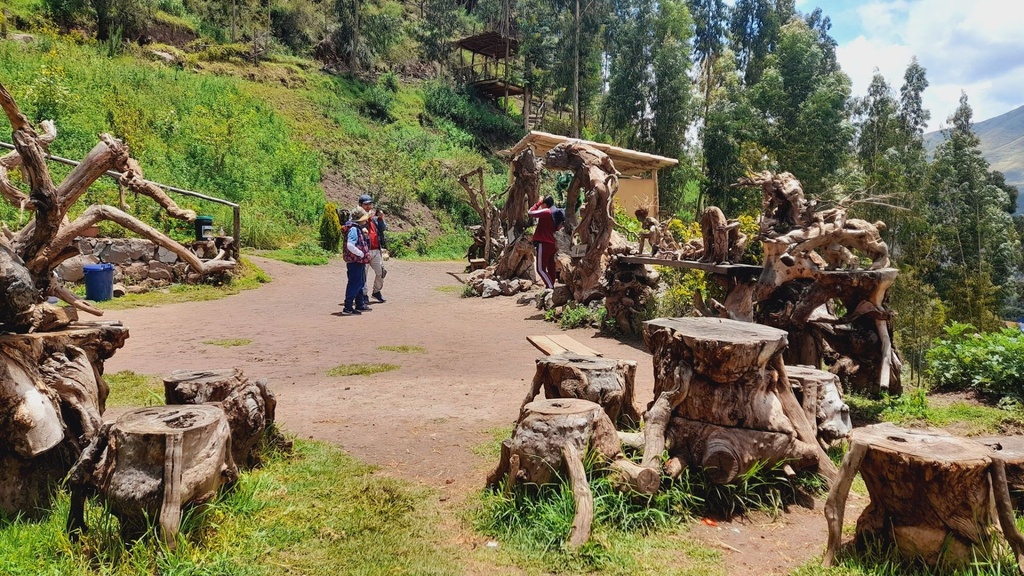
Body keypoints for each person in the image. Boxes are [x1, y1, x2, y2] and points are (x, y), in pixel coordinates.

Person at [342, 207, 373, 315]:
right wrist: (360, 253)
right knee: (354, 283)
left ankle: (359, 304)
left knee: (359, 283)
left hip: (357, 261)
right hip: (355, 261)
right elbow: (350, 245)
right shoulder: (354, 229)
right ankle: (348, 307)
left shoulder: (356, 228)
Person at [528, 195, 563, 289]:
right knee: (551, 266)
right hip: (553, 243)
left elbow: (530, 212)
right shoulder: (556, 212)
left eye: (542, 204)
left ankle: (550, 286)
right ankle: (551, 286)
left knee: (540, 269)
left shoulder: (547, 211)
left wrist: (538, 202)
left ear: (545, 204)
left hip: (544, 243)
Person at [358, 194, 387, 304]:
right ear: (360, 205)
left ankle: (376, 291)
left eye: (370, 204)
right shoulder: (357, 215)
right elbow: (355, 225)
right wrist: (367, 217)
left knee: (381, 272)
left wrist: (380, 218)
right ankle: (363, 295)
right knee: (363, 274)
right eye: (366, 204)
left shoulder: (373, 218)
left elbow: (382, 228)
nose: (368, 206)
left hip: (376, 250)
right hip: (364, 251)